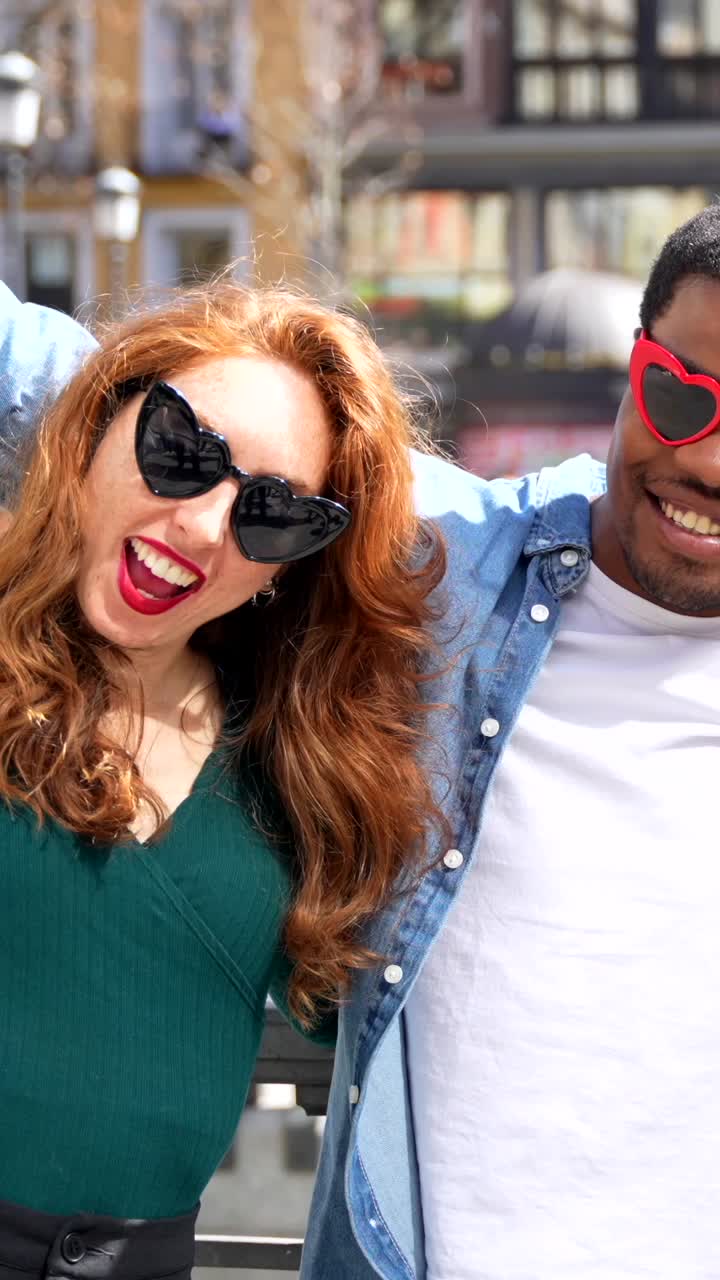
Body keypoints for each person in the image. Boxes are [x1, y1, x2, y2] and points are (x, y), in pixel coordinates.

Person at [8, 201, 720, 1280]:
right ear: (636, 359)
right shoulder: (454, 559)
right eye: (684, 394)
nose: (709, 460)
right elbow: (132, 397)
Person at [0, 279, 449, 1279]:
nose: (204, 524)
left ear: (292, 563)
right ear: (101, 419)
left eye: (274, 512)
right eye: (181, 451)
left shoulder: (300, 768)